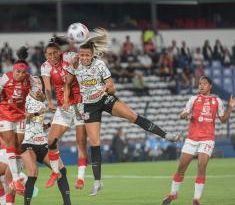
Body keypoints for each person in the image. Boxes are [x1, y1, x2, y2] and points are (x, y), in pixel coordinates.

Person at [64, 28, 181, 196]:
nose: (83, 58)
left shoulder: (99, 65)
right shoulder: (75, 64)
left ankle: (166, 135)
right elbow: (67, 83)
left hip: (105, 98)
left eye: (86, 55)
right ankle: (97, 182)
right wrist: (67, 100)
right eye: (81, 55)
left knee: (132, 116)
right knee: (94, 142)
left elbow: (113, 88)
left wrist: (104, 89)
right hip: (89, 106)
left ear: (92, 55)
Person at [162, 76, 235, 205]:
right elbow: (183, 114)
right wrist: (183, 115)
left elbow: (223, 120)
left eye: (204, 83)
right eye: (199, 84)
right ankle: (173, 194)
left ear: (210, 86)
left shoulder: (217, 100)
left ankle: (196, 199)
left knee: (201, 166)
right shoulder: (193, 99)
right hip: (191, 138)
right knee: (181, 167)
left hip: (207, 139)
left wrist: (230, 106)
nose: (201, 86)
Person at [0, 46, 43, 194]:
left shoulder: (30, 79)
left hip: (21, 115)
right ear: (13, 70)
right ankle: (17, 179)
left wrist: (39, 90)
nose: (20, 74)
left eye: (23, 72)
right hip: (6, 113)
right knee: (10, 144)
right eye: (18, 71)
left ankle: (17, 177)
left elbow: (41, 97)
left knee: (18, 147)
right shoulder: (5, 78)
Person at [41, 37, 88, 189]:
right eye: (49, 54)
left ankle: (80, 178)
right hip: (63, 106)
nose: (52, 56)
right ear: (45, 55)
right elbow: (48, 87)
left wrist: (69, 44)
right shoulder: (45, 67)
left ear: (60, 52)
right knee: (51, 141)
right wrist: (49, 102)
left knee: (80, 143)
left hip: (80, 103)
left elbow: (77, 57)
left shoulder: (67, 57)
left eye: (55, 53)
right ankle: (55, 171)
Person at [21, 76, 71, 205]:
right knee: (32, 173)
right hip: (27, 143)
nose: (38, 87)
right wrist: (38, 113)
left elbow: (39, 125)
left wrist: (52, 123)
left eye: (39, 84)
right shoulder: (23, 99)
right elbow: (22, 116)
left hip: (41, 142)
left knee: (61, 170)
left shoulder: (41, 102)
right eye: (35, 84)